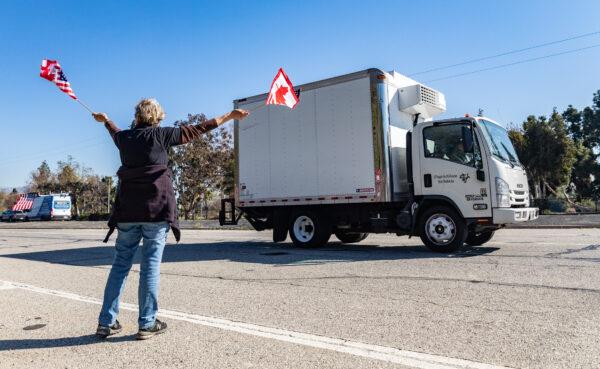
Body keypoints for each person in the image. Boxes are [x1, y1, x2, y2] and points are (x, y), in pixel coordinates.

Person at [92, 98, 249, 340]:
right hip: (156, 211)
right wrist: (229, 116)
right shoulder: (161, 135)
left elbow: (114, 131)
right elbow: (199, 129)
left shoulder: (124, 138)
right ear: (157, 117)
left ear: (137, 116)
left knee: (120, 266)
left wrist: (105, 121)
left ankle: (106, 322)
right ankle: (147, 323)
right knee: (150, 267)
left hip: (127, 212)